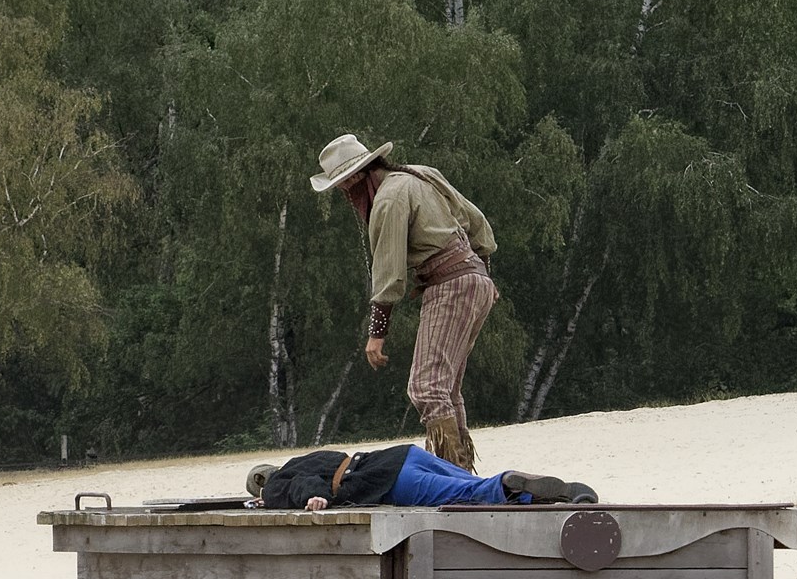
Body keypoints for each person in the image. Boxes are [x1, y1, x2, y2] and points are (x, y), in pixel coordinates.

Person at [311, 133, 499, 471]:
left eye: (341, 186)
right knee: (446, 389)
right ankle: (463, 477)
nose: (344, 194)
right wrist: (483, 273)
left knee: (426, 388)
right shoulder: (419, 173)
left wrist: (377, 333)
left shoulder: (388, 199)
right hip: (474, 279)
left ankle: (453, 480)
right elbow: (478, 223)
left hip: (450, 285)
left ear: (355, 177)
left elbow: (389, 270)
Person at [247, 442, 593, 512]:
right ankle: (556, 495)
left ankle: (510, 483)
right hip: (401, 454)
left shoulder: (276, 485)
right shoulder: (304, 458)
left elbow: (299, 487)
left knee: (475, 495)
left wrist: (314, 497)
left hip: (391, 482)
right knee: (474, 485)